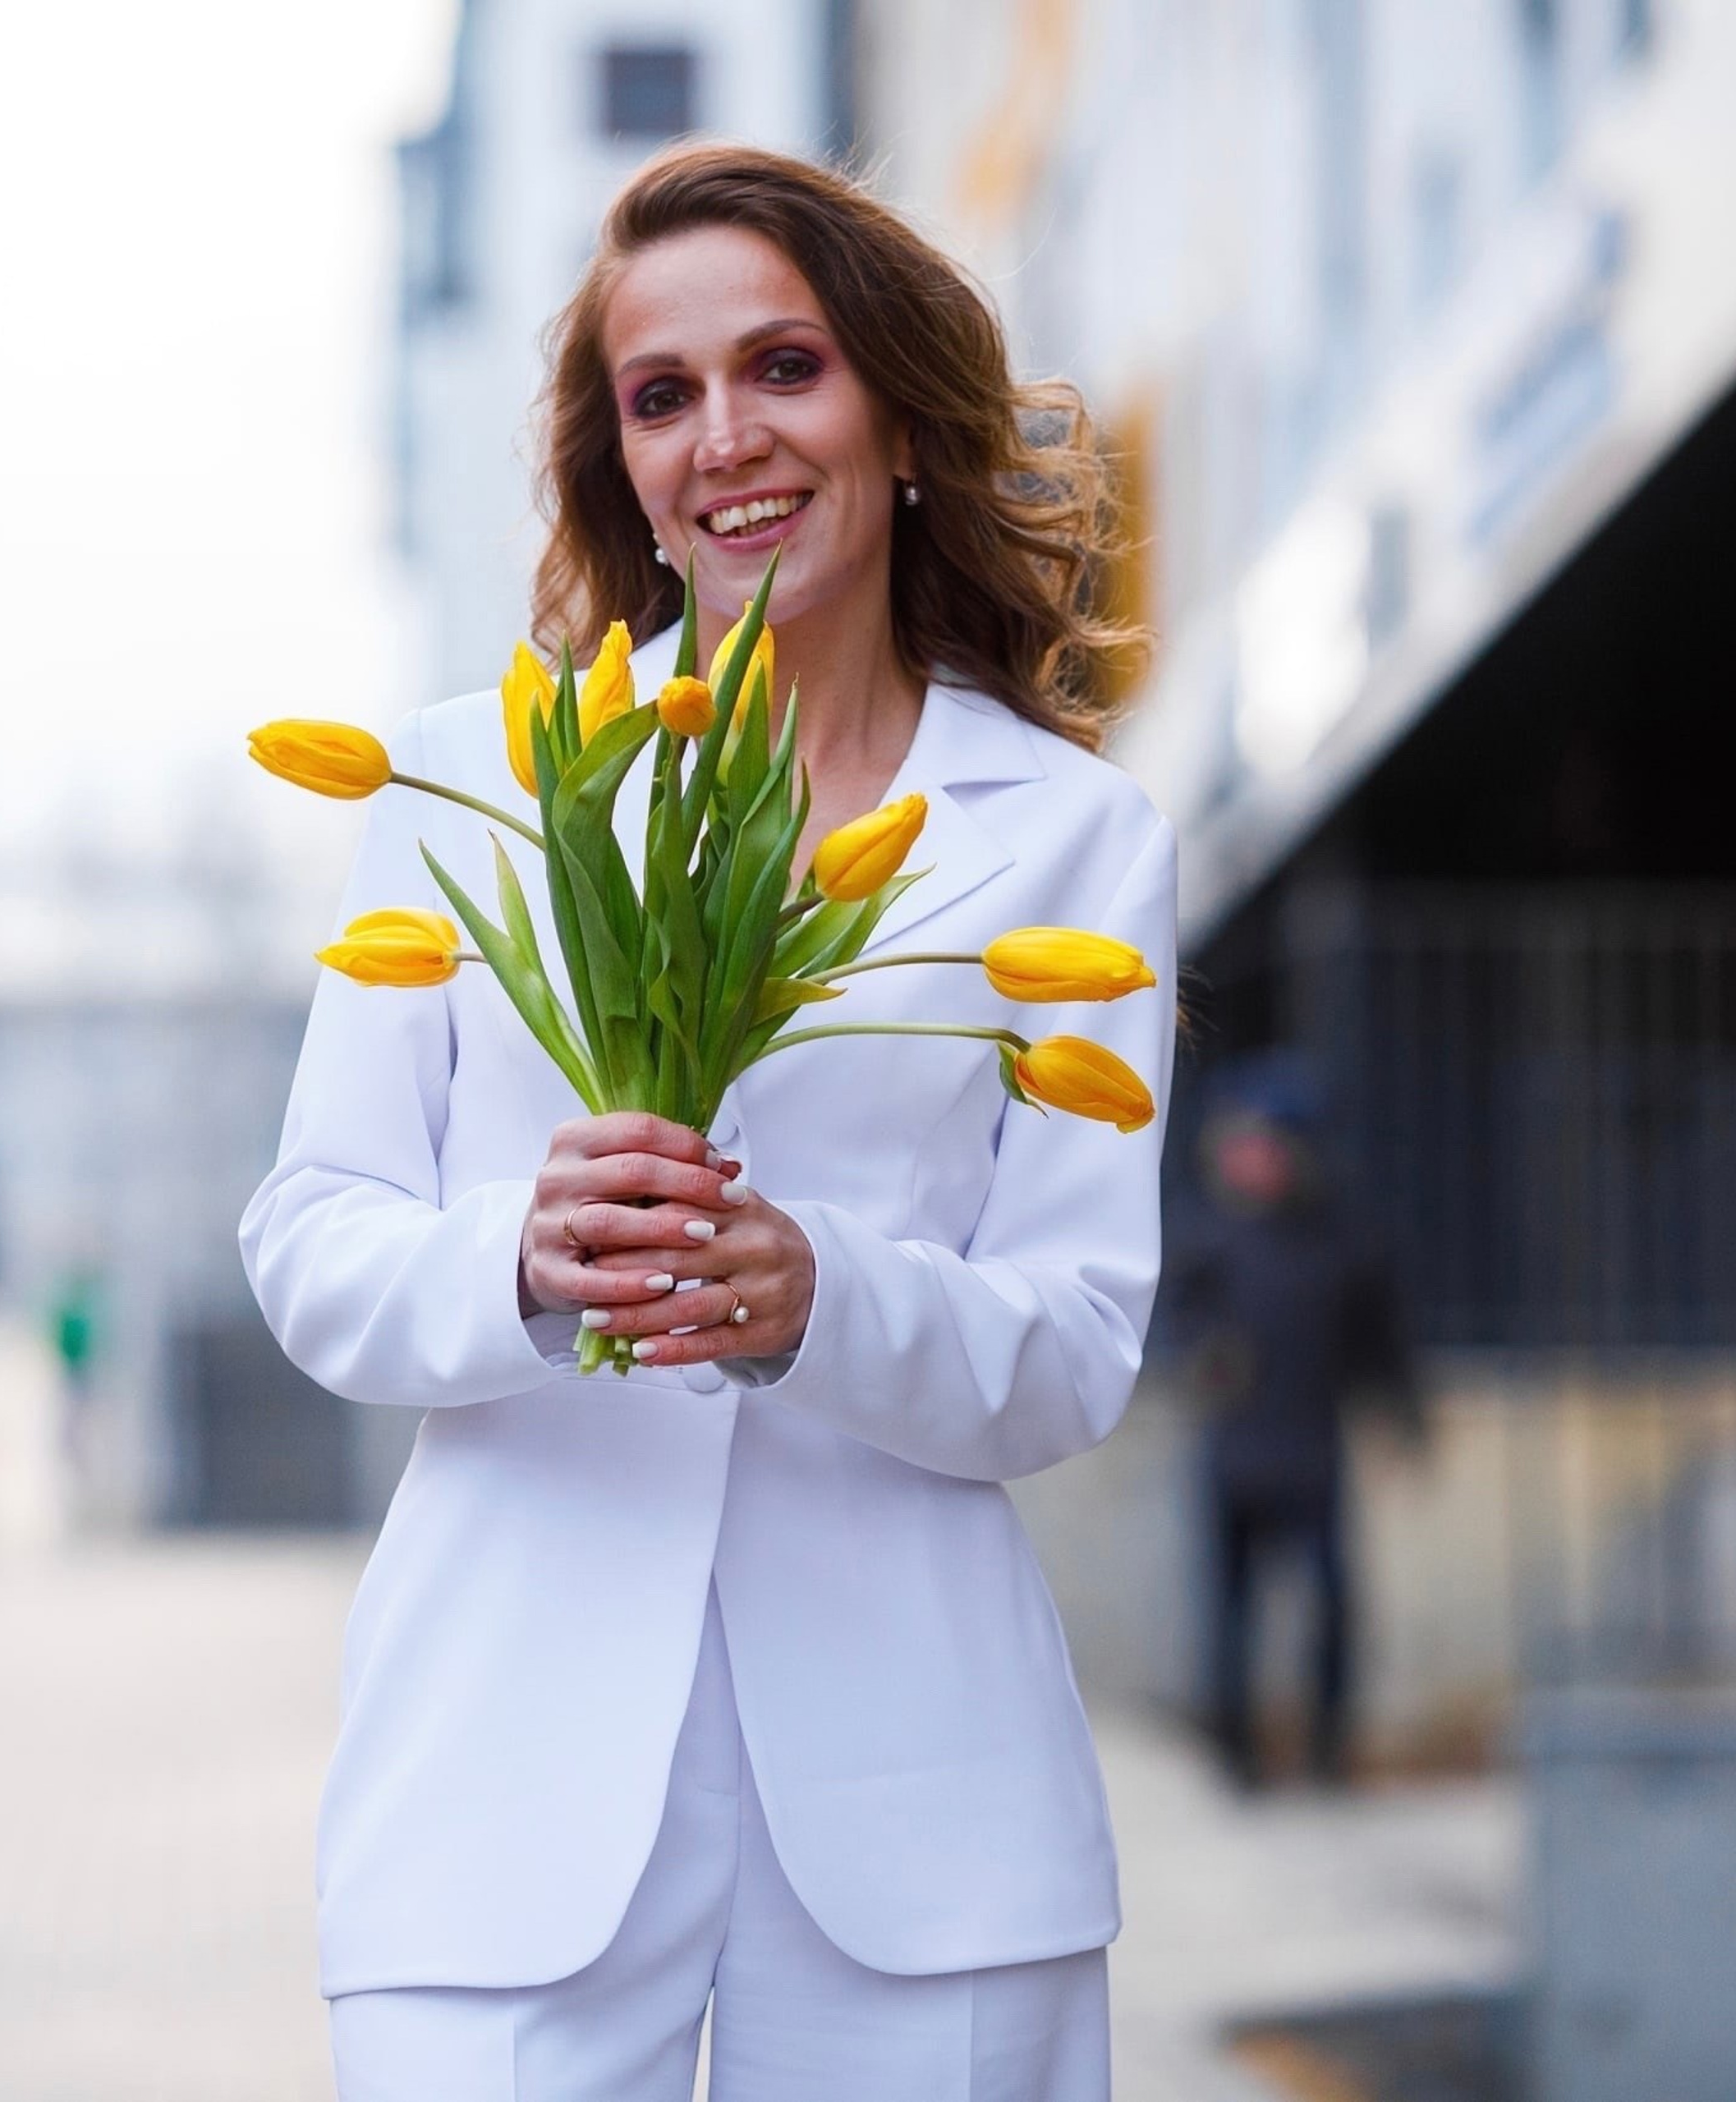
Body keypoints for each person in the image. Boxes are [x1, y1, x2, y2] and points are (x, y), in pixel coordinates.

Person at [241, 142, 1178, 2102]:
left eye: (784, 367)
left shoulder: (1075, 842)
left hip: (924, 1823)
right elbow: (313, 1234)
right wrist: (512, 1248)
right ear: (623, 469)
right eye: (661, 395)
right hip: (493, 1799)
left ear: (901, 415)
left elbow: (1074, 1341)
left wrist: (814, 1291)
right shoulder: (465, 785)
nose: (723, 436)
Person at [1166, 1053, 1424, 1790]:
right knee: (1229, 1614)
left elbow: (1383, 1342)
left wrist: (1405, 1415)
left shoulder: (1347, 1239)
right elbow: (1177, 1325)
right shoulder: (1209, 1235)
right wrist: (1205, 1358)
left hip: (1313, 1453)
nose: (1247, 1159)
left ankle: (1326, 1755)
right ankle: (1234, 1757)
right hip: (1234, 1456)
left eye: (1263, 1144)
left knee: (1334, 1606)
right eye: (1237, 1143)